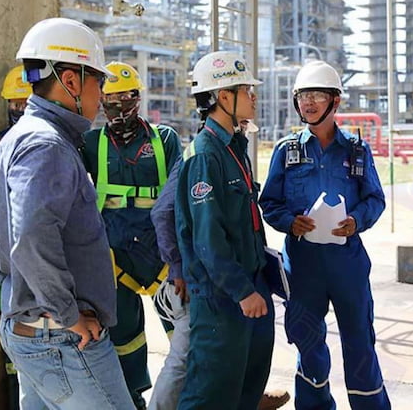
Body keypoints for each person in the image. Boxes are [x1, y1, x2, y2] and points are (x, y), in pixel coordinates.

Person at [0, 17, 133, 409]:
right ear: (71, 80)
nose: (102, 95)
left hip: (36, 330)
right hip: (63, 339)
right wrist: (67, 314)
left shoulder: (17, 138)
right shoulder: (46, 145)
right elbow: (31, 235)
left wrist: (12, 280)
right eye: (98, 81)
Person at [259, 60, 390, 410]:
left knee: (359, 342)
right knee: (308, 341)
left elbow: (375, 199)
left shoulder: (357, 151)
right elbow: (269, 202)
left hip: (347, 263)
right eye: (303, 96)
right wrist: (290, 221)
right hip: (303, 266)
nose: (308, 102)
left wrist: (356, 220)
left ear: (335, 101)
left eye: (317, 95)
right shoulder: (286, 151)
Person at [149, 131, 290, 410]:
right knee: (186, 358)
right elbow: (164, 212)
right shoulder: (203, 155)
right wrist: (178, 268)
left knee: (230, 362)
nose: (251, 111)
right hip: (205, 281)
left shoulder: (233, 150)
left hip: (232, 277)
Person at [175, 50, 274, 410]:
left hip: (249, 286)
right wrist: (242, 291)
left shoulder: (234, 146)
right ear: (222, 97)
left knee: (246, 386)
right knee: (211, 393)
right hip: (222, 298)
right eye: (246, 90)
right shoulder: (205, 155)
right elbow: (207, 238)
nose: (253, 96)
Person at [78, 61, 181, 409]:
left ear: (138, 98)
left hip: (162, 252)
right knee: (124, 336)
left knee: (184, 332)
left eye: (126, 97)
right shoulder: (91, 143)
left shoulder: (164, 139)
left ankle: (192, 395)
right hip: (115, 256)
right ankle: (132, 398)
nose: (119, 105)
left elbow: (180, 197)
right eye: (111, 98)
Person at [0, 64, 34, 410]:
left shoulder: (53, 143)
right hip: (4, 262)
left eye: (24, 102)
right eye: (14, 103)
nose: (18, 109)